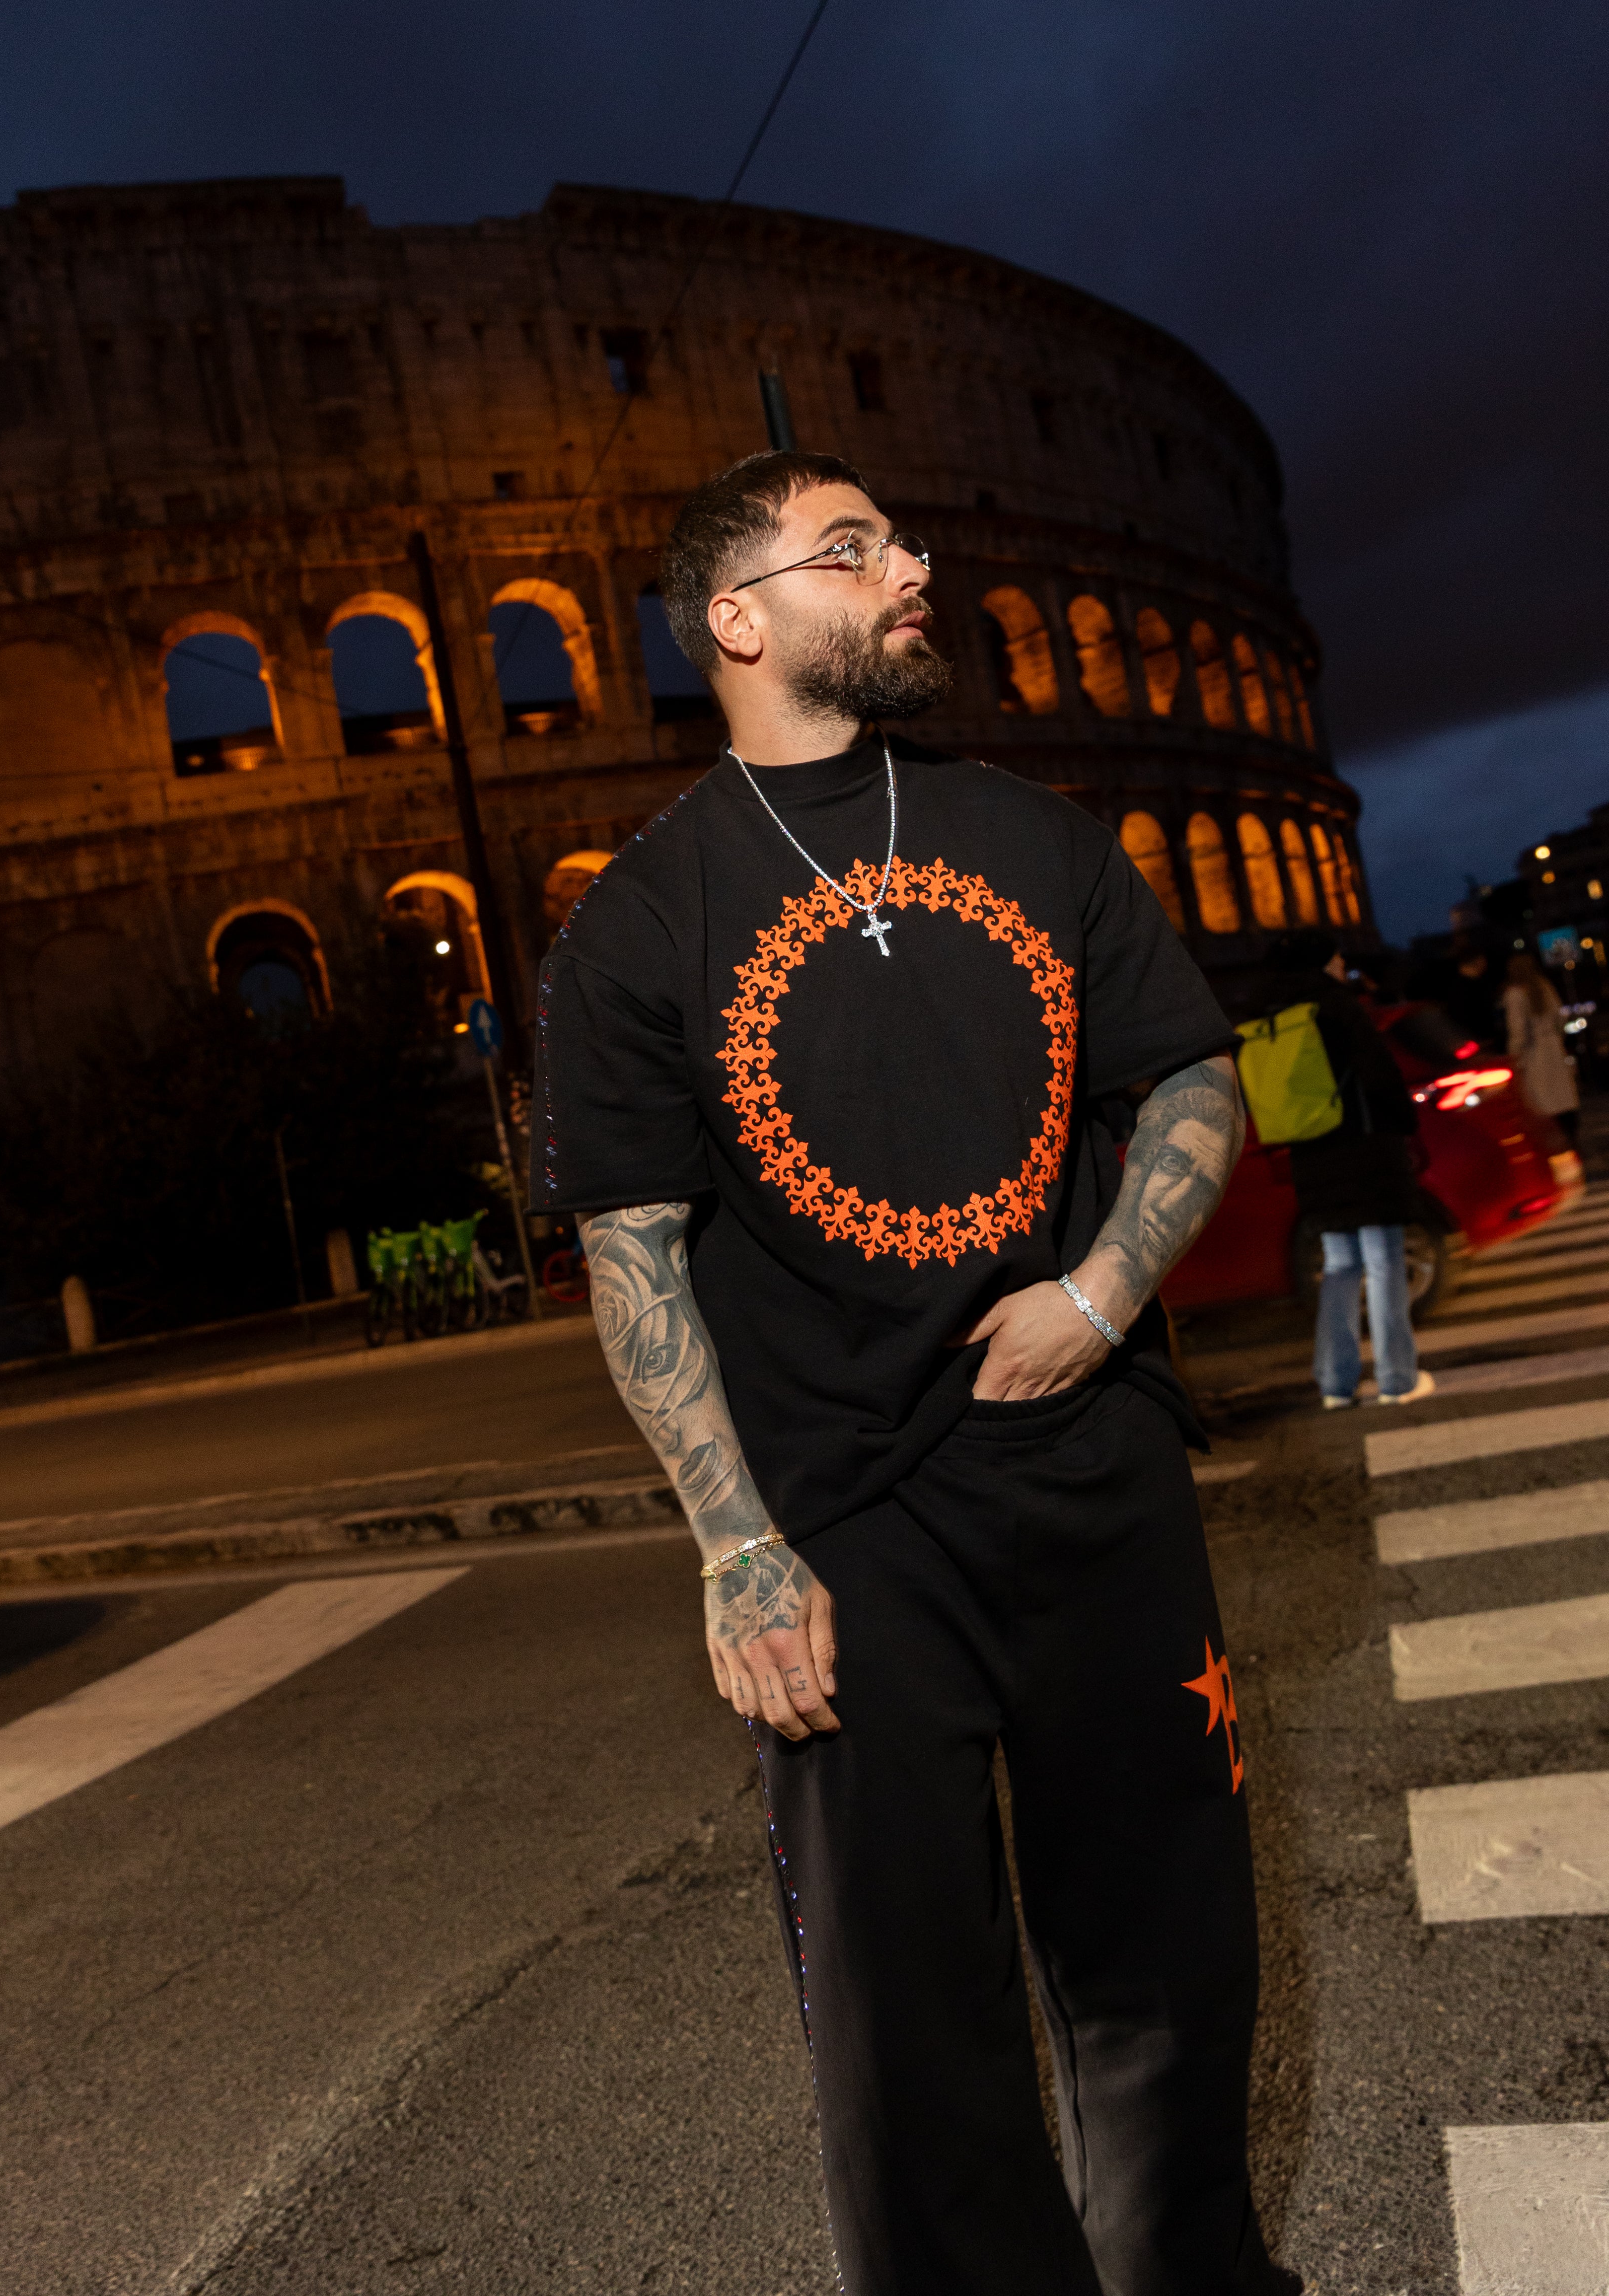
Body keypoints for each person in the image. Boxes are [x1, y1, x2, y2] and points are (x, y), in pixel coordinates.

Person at [533, 450, 1298, 2295]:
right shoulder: (638, 919)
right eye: (853, 548)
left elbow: (1189, 1075)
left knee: (1169, 1943)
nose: (910, 569)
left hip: (1094, 1468)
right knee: (908, 2015)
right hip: (844, 1532)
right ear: (734, 618)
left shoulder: (1032, 836)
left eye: (899, 540)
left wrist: (1102, 1292)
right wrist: (734, 1545)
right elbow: (632, 1258)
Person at [1266, 929, 1432, 1408]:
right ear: (1324, 963)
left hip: (1313, 1158)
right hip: (1364, 1152)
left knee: (1339, 1268)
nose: (1343, 967)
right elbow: (1379, 1075)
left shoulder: (1274, 1015)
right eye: (1338, 959)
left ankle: (1336, 1385)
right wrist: (1405, 1123)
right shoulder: (1339, 1007)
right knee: (1384, 1263)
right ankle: (1397, 1379)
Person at [1501, 949, 1580, 1148]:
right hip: (1554, 1048)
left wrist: (1514, 1056)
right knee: (1563, 1096)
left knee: (1542, 1100)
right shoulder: (1545, 987)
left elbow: (1518, 1031)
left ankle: (1556, 1145)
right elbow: (1560, 1018)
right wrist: (1558, 1039)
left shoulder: (1514, 994)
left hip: (1533, 1053)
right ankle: (1572, 1139)